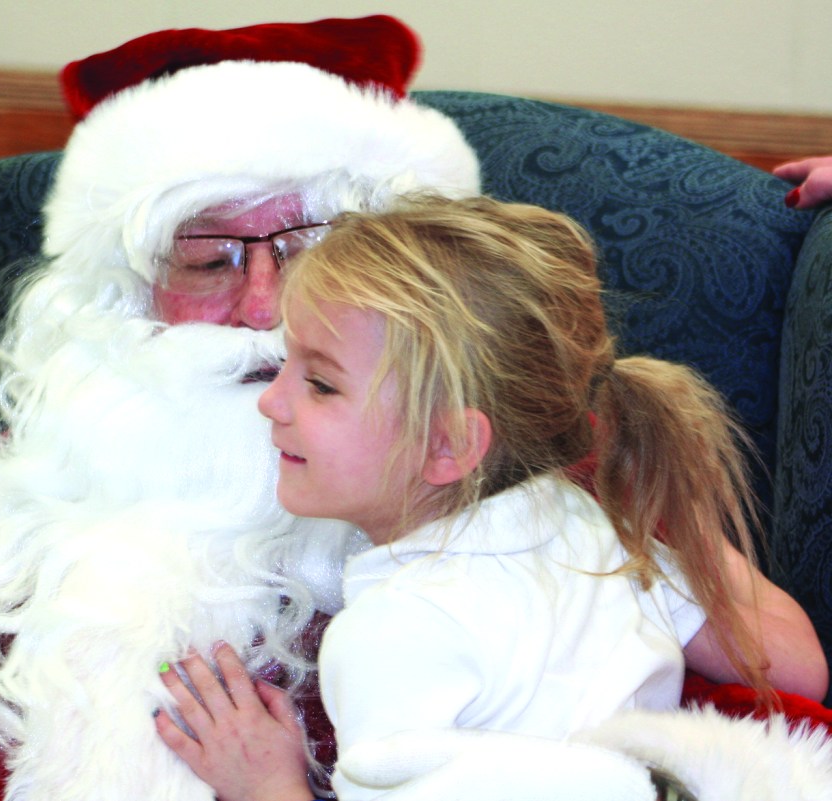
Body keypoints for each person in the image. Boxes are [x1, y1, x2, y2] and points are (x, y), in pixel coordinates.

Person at [0, 15, 828, 801]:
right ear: (111, 303)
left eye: (311, 256)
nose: (260, 315)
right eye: (205, 260)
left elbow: (772, 704)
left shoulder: (526, 547)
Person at [155, 195, 832, 801]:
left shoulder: (391, 629)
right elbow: (798, 667)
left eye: (321, 384)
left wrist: (267, 784)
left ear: (449, 446)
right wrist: (657, 525)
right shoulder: (588, 527)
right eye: (286, 367)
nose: (272, 401)